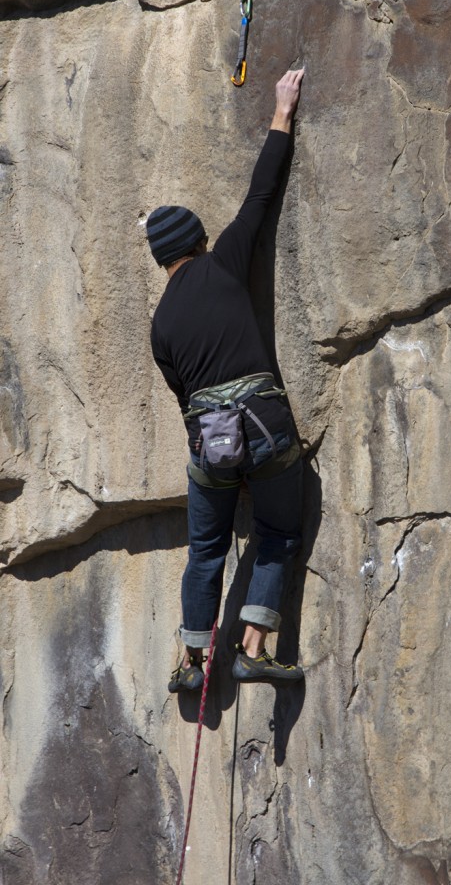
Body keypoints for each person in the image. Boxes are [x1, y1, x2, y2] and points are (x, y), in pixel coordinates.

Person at [147, 68, 306, 691]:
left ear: (164, 260)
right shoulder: (226, 263)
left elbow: (186, 400)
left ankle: (191, 661)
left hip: (210, 440)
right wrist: (282, 111)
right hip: (265, 426)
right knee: (277, 533)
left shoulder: (161, 327)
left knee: (205, 550)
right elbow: (261, 193)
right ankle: (254, 647)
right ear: (200, 241)